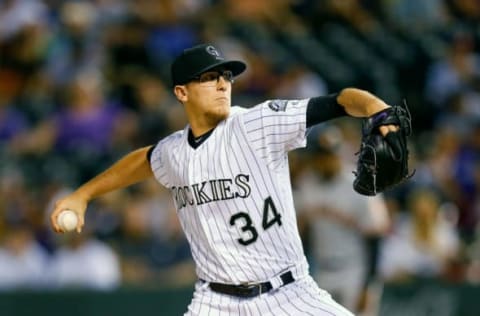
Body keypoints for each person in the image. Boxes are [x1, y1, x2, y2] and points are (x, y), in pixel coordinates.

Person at [50, 43, 399, 315]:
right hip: (215, 303)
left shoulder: (256, 124)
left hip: (288, 294)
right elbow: (142, 160)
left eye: (226, 76)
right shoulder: (174, 152)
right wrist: (84, 194)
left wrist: (376, 109)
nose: (222, 83)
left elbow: (339, 102)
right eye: (209, 77)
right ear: (181, 92)